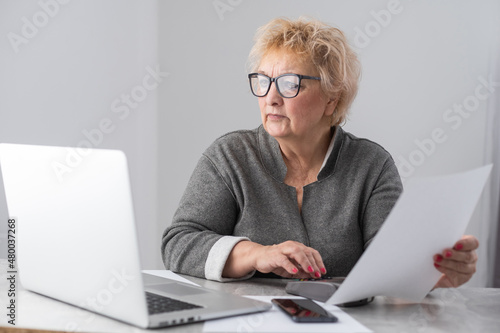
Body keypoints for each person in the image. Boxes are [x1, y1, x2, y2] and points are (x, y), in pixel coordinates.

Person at [162, 17, 478, 288]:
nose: (270, 98)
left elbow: (387, 269)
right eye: (263, 81)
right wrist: (257, 254)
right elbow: (178, 244)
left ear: (331, 98)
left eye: (289, 83)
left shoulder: (372, 166)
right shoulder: (229, 156)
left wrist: (427, 276)